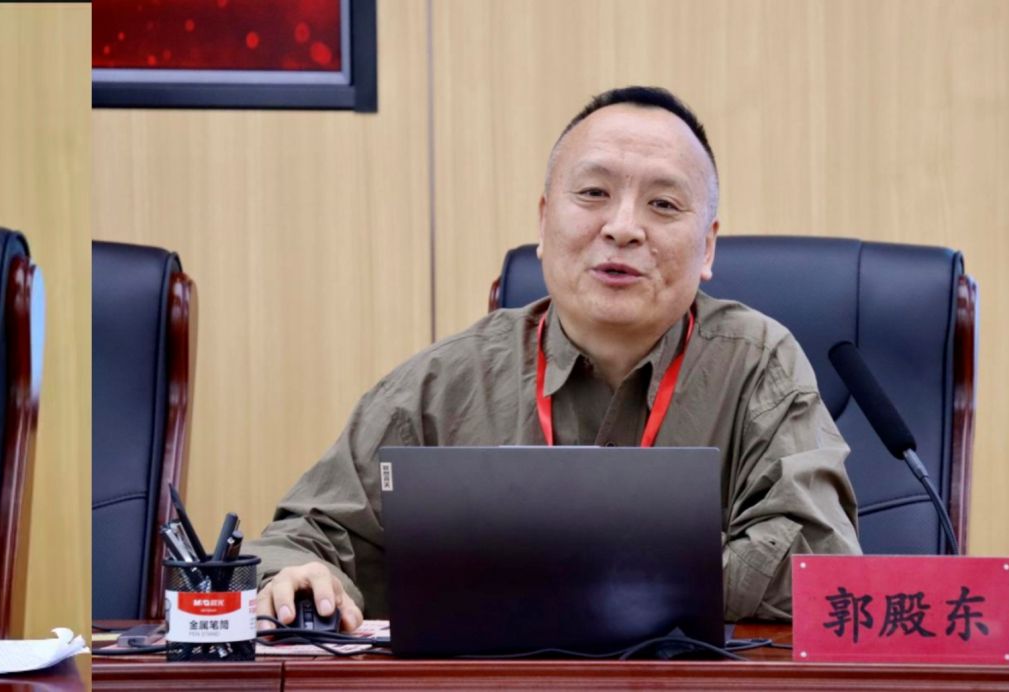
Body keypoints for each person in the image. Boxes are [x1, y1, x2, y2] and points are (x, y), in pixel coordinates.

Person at [246, 86, 860, 632]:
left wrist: (579, 579)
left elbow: (817, 563)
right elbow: (299, 542)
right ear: (543, 222)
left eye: (664, 205)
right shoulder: (447, 381)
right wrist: (298, 578)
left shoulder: (759, 365)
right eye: (593, 193)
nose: (623, 227)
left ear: (707, 248)